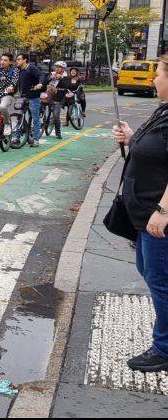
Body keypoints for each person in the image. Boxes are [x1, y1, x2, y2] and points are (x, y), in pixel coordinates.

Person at [112, 53, 168, 373]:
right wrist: (133, 138)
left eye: (158, 73)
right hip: (144, 216)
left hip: (158, 219)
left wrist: (163, 210)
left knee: (161, 282)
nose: (152, 79)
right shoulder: (163, 110)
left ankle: (164, 347)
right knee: (152, 274)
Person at [15, 53, 44, 147]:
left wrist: (40, 84)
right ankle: (17, 138)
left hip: (34, 97)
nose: (17, 61)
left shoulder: (31, 68)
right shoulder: (20, 70)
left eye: (19, 59)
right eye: (16, 59)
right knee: (19, 117)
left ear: (25, 60)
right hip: (23, 97)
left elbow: (41, 75)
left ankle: (36, 140)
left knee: (35, 118)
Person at [45, 61, 73, 139]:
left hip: (59, 97)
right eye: (56, 67)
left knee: (56, 115)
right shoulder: (51, 74)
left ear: (63, 69)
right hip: (48, 95)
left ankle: (58, 132)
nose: (57, 68)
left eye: (59, 67)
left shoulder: (66, 77)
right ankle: (43, 120)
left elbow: (68, 86)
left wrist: (60, 78)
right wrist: (50, 78)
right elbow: (44, 82)